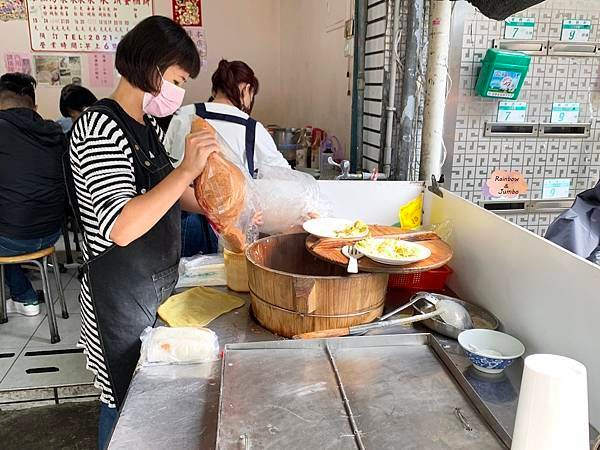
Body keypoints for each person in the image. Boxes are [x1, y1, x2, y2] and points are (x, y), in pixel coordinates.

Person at [66, 16, 218, 449]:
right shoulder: (99, 127)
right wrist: (187, 168)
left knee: (151, 399)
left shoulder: (146, 128)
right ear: (151, 68)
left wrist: (225, 206)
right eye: (177, 78)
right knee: (125, 407)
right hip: (118, 299)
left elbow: (170, 193)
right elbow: (122, 225)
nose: (179, 91)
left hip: (152, 289)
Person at [166, 60, 287, 256]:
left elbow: (165, 177)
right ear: (247, 89)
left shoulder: (184, 115)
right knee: (229, 279)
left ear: (215, 90)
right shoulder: (253, 128)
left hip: (185, 223)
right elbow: (283, 179)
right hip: (234, 227)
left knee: (186, 282)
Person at [0, 73, 66, 317]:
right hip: (52, 233)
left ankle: (24, 296)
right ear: (34, 105)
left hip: (14, 237)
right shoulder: (55, 131)